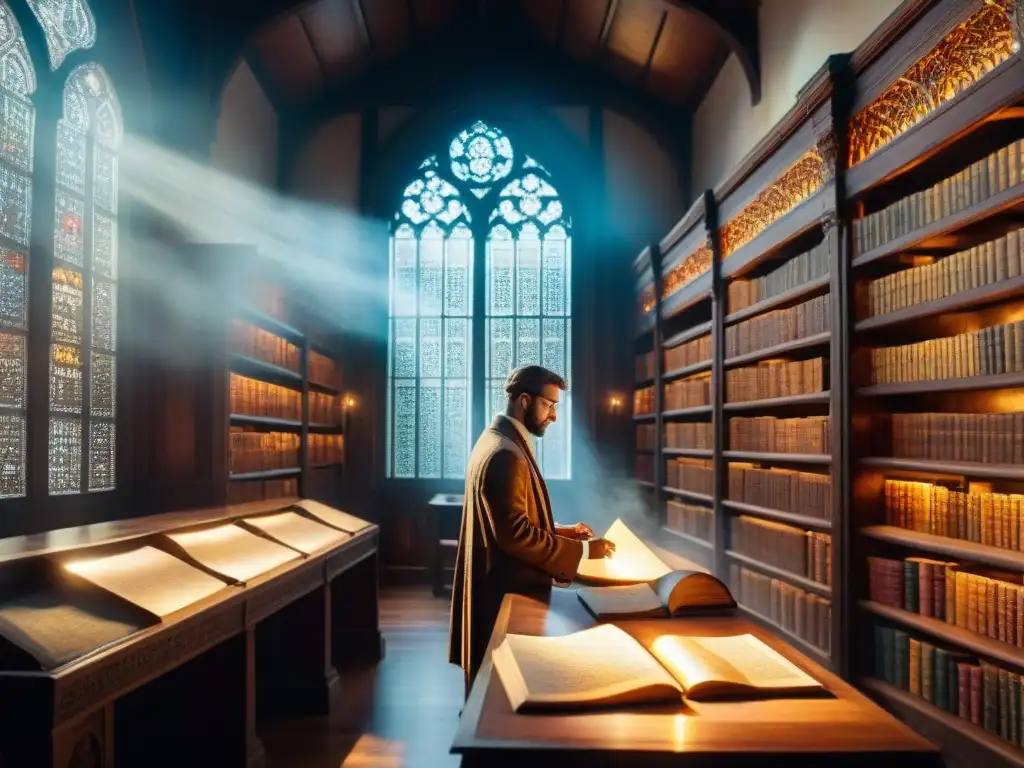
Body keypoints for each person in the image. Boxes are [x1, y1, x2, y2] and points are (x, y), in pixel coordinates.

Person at [448, 364, 616, 698]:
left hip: (497, 589)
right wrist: (584, 551)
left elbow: (509, 517)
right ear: (524, 400)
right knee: (497, 702)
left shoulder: (498, 439)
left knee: (489, 695)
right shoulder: (505, 454)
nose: (554, 415)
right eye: (549, 405)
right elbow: (514, 535)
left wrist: (561, 532)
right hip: (503, 597)